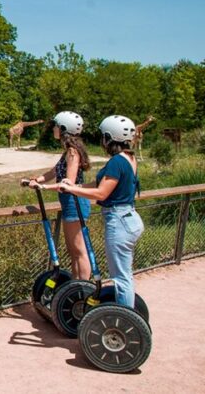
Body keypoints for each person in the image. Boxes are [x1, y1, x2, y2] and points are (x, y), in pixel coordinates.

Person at [49, 115, 144, 307]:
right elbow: (102, 184)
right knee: (125, 275)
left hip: (119, 220)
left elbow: (101, 193)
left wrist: (73, 188)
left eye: (103, 136)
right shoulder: (130, 158)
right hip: (130, 217)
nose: (101, 140)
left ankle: (125, 318)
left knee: (121, 278)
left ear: (109, 137)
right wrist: (78, 187)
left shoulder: (117, 161)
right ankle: (126, 314)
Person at [22, 111, 92, 280]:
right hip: (70, 203)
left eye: (55, 126)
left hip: (74, 202)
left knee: (79, 250)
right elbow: (53, 172)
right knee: (73, 251)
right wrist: (34, 180)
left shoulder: (73, 153)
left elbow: (68, 184)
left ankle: (83, 286)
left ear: (63, 129)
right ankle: (76, 285)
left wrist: (43, 187)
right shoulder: (68, 152)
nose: (53, 128)